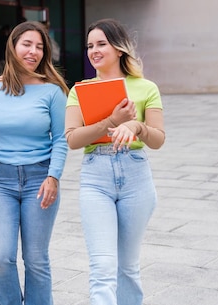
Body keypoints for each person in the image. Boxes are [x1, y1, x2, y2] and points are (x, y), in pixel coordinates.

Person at [0, 20, 69, 305]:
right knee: (0, 256)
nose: (33, 51)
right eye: (27, 44)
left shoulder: (52, 91)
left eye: (39, 47)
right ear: (12, 46)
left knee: (36, 259)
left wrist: (54, 176)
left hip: (40, 178)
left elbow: (61, 138)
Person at [64, 18, 165, 305]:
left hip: (136, 176)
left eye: (101, 44)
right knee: (103, 267)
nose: (94, 51)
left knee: (128, 269)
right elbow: (72, 139)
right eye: (89, 46)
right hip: (96, 179)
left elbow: (158, 140)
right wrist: (112, 121)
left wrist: (136, 127)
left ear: (119, 49)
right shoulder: (79, 90)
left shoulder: (146, 88)